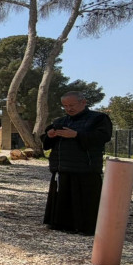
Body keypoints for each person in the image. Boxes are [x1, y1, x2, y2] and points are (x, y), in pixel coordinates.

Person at [40, 91, 112, 235]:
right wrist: (49, 135)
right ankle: (61, 224)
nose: (68, 109)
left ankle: (87, 228)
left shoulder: (99, 118)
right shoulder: (60, 121)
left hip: (86, 167)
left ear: (83, 102)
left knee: (86, 200)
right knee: (62, 197)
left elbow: (103, 137)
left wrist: (76, 135)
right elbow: (46, 142)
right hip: (62, 167)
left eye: (72, 105)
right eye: (65, 106)